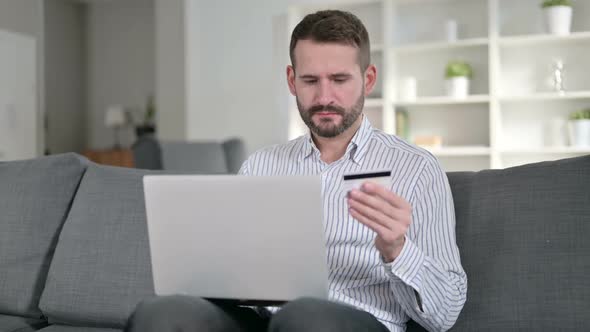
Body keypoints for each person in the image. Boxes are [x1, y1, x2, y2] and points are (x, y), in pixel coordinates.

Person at [126, 9, 467, 332]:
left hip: (356, 322)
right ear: (291, 80)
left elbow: (447, 313)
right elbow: (236, 273)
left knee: (304, 315)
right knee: (161, 312)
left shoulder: (417, 169)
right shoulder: (260, 166)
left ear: (368, 78)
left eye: (339, 79)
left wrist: (397, 249)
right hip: (262, 320)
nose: (324, 96)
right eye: (310, 80)